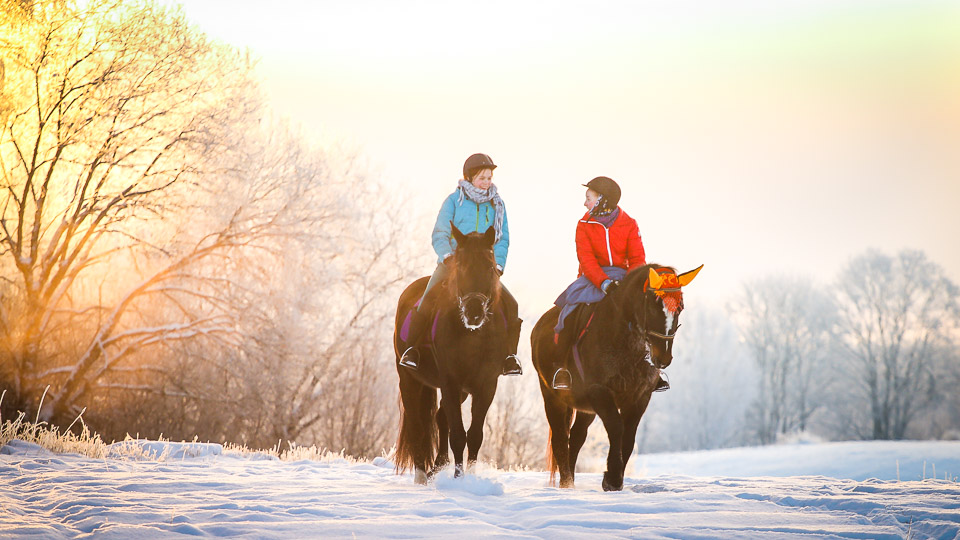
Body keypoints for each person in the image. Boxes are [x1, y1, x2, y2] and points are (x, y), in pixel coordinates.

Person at [399, 153, 523, 376]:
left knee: (511, 305)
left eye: (489, 178)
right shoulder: (453, 201)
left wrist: (498, 265)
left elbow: (502, 238)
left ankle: (509, 357)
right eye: (482, 178)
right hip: (452, 264)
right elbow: (440, 233)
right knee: (426, 299)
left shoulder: (498, 205)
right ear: (469, 178)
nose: (487, 183)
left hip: (484, 269)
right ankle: (412, 350)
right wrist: (448, 256)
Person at [550, 176, 669, 392]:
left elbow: (637, 259)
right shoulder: (583, 224)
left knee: (648, 312)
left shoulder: (630, 223)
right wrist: (604, 283)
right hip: (592, 278)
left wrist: (629, 285)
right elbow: (586, 260)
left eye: (588, 198)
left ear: (603, 200)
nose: (585, 203)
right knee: (568, 312)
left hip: (625, 279)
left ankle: (653, 369)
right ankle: (562, 368)